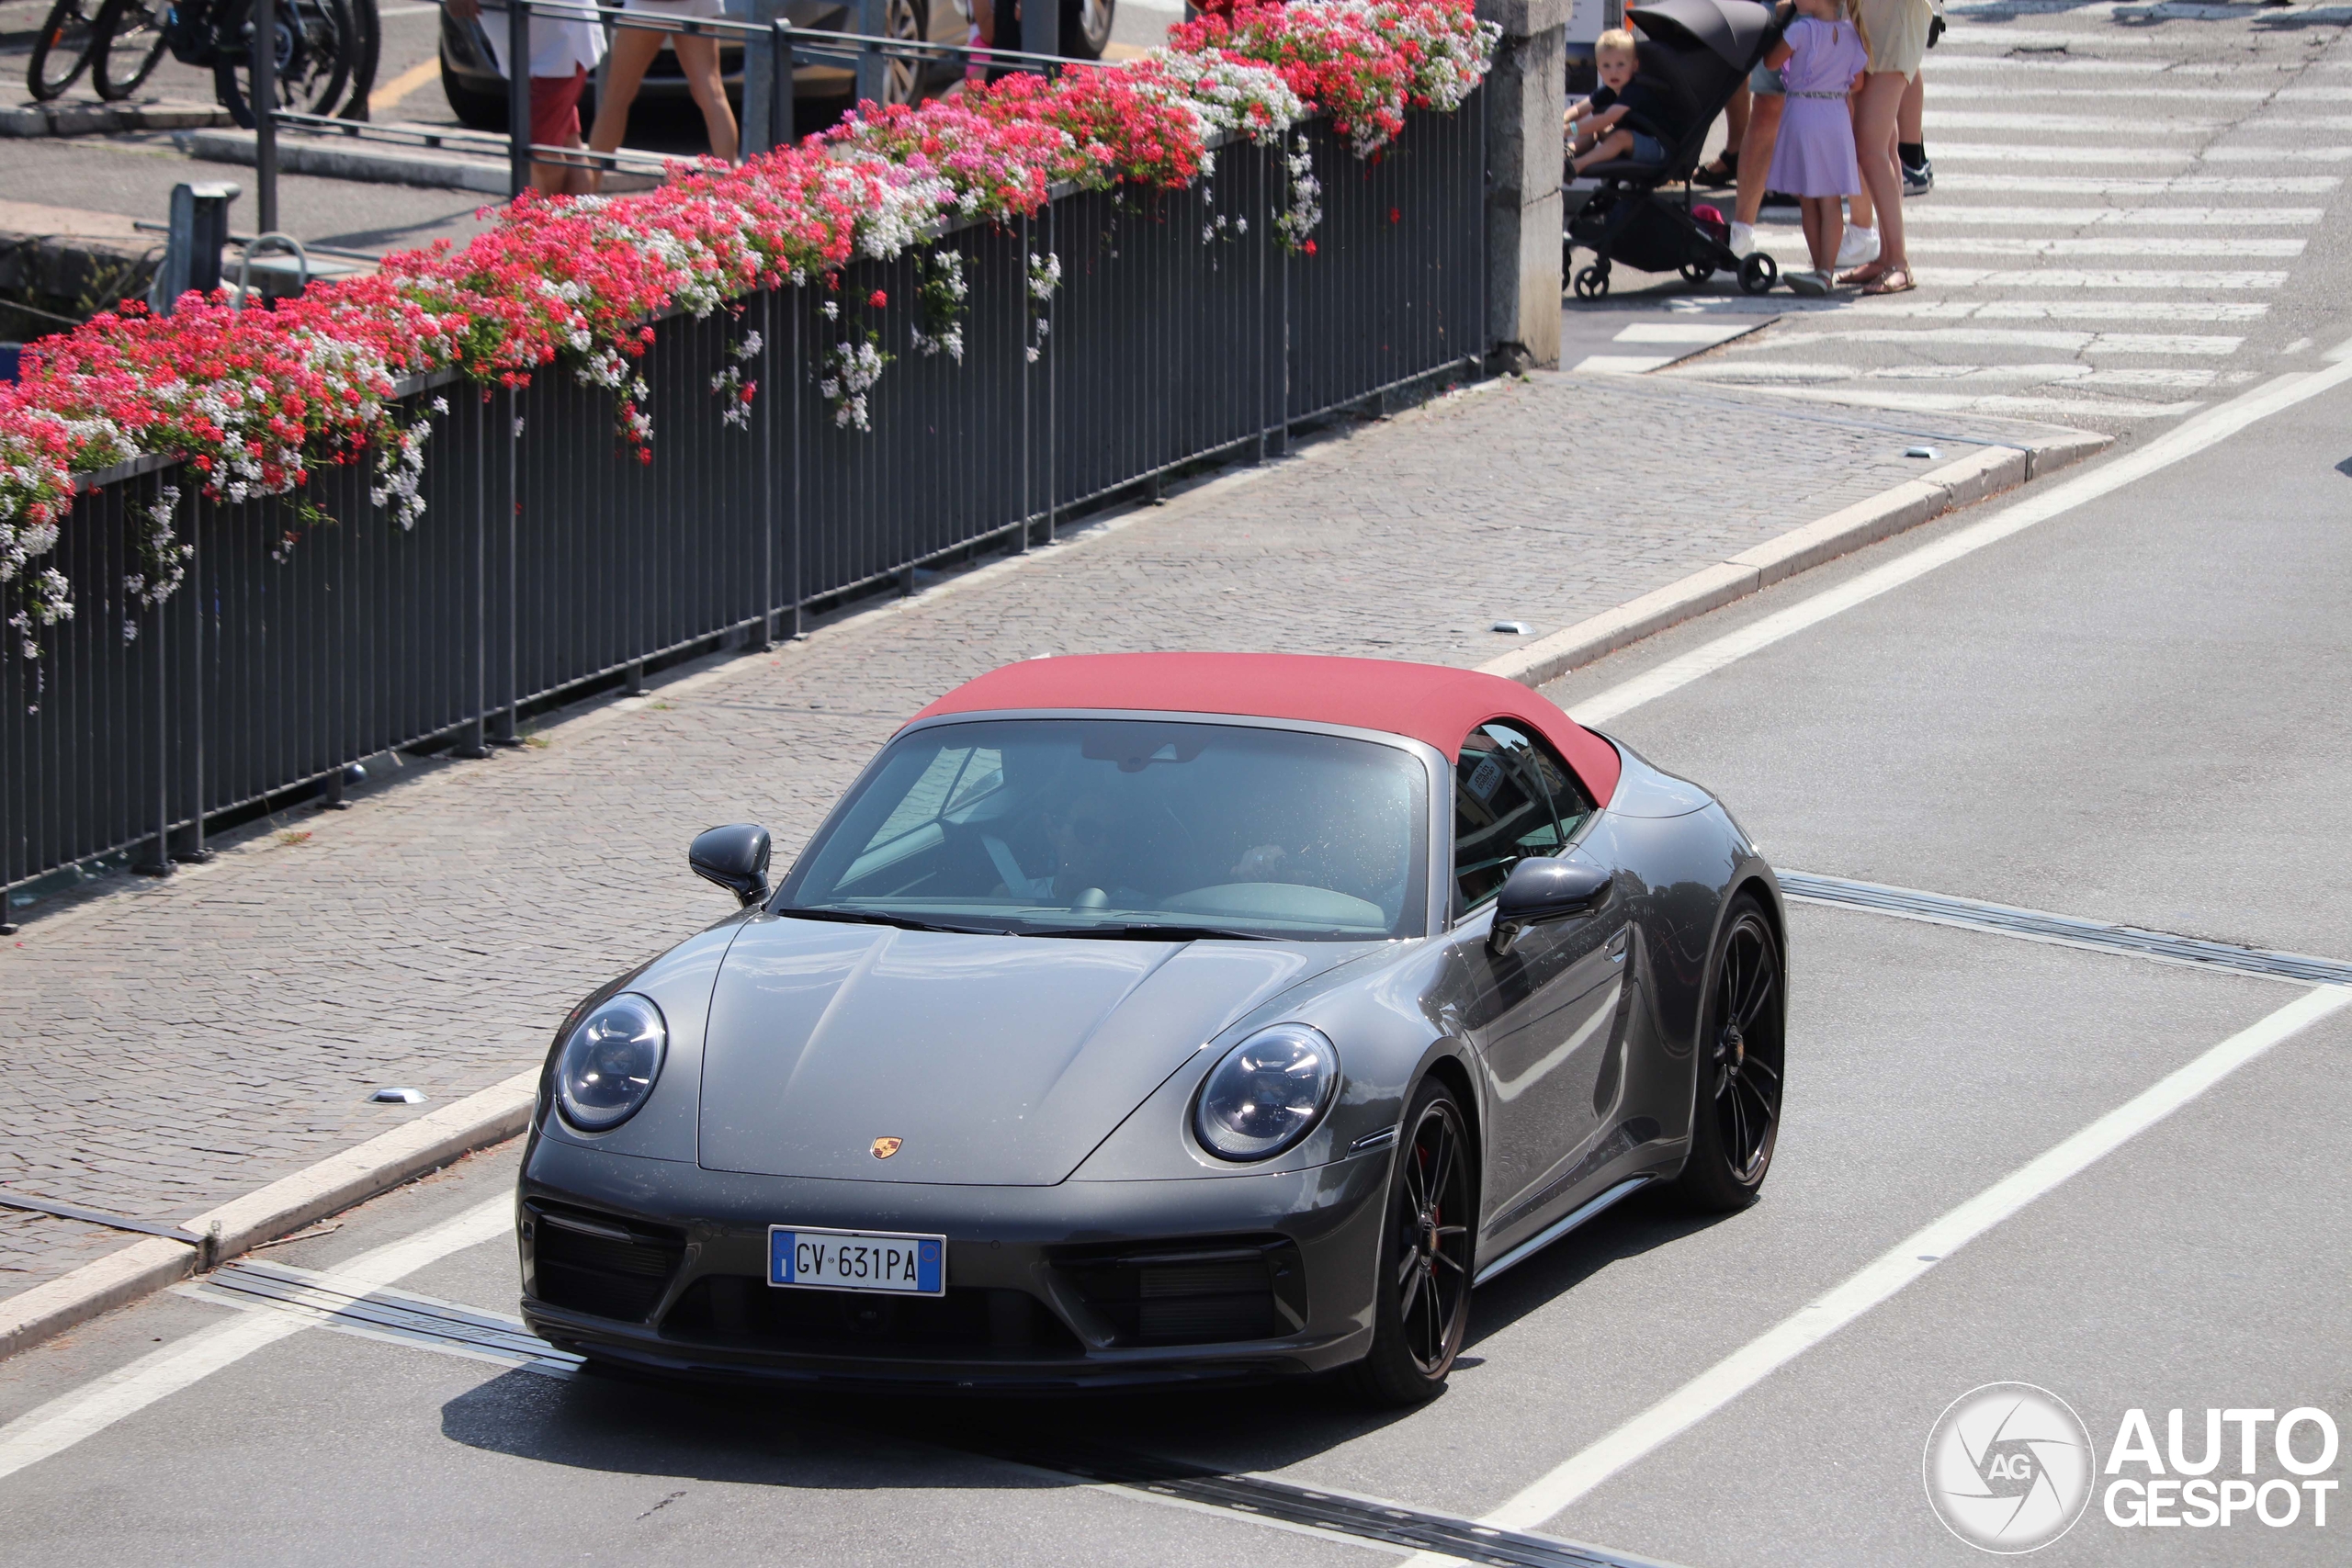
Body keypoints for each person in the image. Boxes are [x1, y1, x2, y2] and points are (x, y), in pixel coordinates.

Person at [1761, 0, 1868, 295]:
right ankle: (1826, 271)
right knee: (1831, 198)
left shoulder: (1800, 30)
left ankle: (1819, 268)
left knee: (1808, 197)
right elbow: (1857, 82)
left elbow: (1770, 62)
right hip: (1835, 115)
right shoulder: (1850, 33)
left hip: (1803, 113)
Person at [447, 0, 605, 196]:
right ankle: (571, 221)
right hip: (541, 50)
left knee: (536, 154)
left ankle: (540, 221)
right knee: (565, 147)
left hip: (554, 51)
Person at [587, 0, 740, 183]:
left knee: (616, 98)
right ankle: (730, 189)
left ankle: (588, 188)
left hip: (649, 5)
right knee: (713, 94)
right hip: (700, 4)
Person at [1840, 0, 1934, 294]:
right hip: (1866, 15)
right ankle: (1886, 256)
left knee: (1869, 147)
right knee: (1882, 143)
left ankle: (1898, 261)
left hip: (1894, 19)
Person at [1564, 29, 1638, 159]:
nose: (1613, 72)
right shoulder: (1609, 90)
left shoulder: (1634, 90)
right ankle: (1568, 152)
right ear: (1599, 69)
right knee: (1591, 128)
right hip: (1622, 141)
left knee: (1596, 124)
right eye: (1606, 65)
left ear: (1634, 66)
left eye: (1620, 64)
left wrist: (1567, 130)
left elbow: (1605, 120)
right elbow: (1578, 109)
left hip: (1644, 144)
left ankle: (1576, 164)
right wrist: (1561, 122)